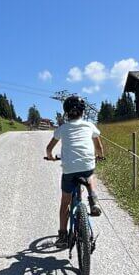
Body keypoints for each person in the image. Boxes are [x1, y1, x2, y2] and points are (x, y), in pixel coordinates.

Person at [45, 95, 104, 249]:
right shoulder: (89, 126)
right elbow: (99, 147)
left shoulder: (62, 128)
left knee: (65, 202)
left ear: (66, 113)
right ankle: (93, 200)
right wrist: (100, 156)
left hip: (69, 170)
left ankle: (63, 236)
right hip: (87, 165)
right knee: (90, 175)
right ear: (82, 112)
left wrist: (51, 157)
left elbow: (49, 148)